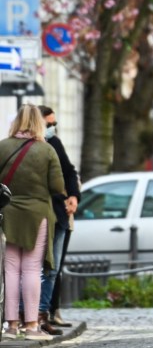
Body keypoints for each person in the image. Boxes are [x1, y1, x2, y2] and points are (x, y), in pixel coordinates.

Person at [0, 104, 65, 341]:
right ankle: (31, 326)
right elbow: (58, 187)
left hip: (7, 215)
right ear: (39, 122)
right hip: (38, 215)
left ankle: (10, 325)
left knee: (10, 269)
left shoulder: (2, 146)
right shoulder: (46, 150)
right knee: (31, 269)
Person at [37, 105, 80, 335]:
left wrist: (73, 196)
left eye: (55, 124)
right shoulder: (26, 146)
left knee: (54, 268)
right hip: (39, 212)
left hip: (60, 213)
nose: (53, 128)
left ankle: (48, 311)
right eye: (49, 124)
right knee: (33, 267)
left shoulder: (54, 143)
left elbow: (70, 171)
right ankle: (29, 316)